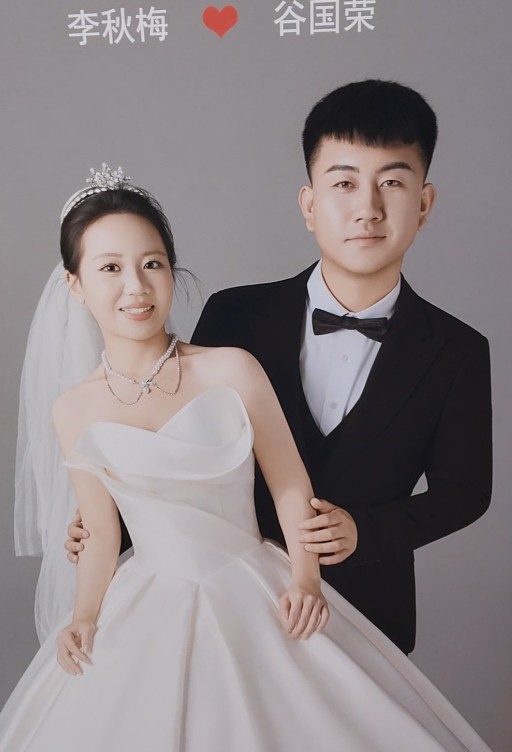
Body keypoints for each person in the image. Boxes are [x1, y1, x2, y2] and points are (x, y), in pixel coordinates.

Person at [0, 166, 492, 751]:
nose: (136, 286)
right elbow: (102, 533)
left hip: (254, 582)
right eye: (109, 268)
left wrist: (306, 579)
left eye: (152, 264)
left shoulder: (230, 367)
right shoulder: (72, 408)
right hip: (146, 598)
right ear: (75, 284)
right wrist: (84, 615)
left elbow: (289, 486)